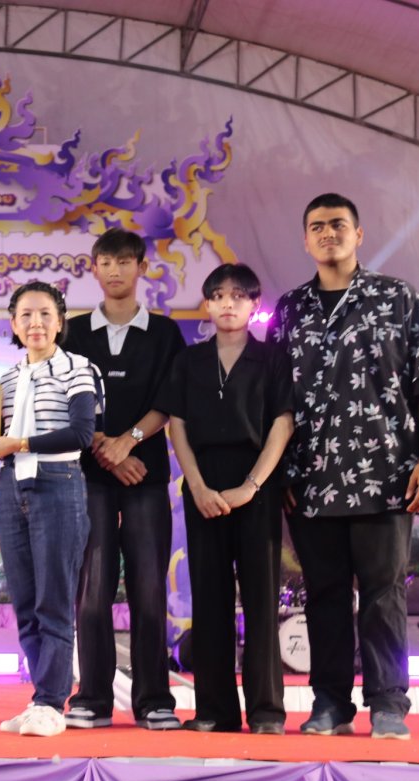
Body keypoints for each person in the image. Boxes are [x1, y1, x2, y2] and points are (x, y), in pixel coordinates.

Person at [269, 193, 419, 741]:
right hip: (309, 480)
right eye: (317, 226)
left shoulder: (399, 298)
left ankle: (388, 704)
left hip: (386, 475)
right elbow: (275, 400)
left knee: (382, 592)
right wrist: (280, 474)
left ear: (358, 234)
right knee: (324, 595)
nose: (327, 233)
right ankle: (330, 703)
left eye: (338, 224)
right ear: (305, 239)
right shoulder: (289, 309)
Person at [155, 263, 292, 735]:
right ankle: (214, 711)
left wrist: (250, 486)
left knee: (260, 602)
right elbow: (177, 425)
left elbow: (283, 424)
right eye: (218, 296)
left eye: (238, 295)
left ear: (255, 304)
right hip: (204, 488)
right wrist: (195, 486)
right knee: (210, 602)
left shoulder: (272, 358)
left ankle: (267, 712)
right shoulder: (189, 361)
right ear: (207, 304)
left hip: (258, 485)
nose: (227, 303)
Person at [62, 229, 184, 731]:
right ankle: (92, 697)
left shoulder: (164, 333)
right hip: (88, 477)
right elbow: (66, 400)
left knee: (149, 588)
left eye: (124, 261)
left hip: (146, 476)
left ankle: (154, 699)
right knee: (92, 589)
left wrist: (129, 441)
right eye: (106, 262)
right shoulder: (72, 332)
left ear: (141, 267)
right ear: (93, 268)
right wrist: (107, 450)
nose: (115, 271)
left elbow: (170, 400)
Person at [0, 281, 103, 737]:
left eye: (45, 314)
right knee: (27, 604)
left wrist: (21, 443)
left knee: (54, 601)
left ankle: (52, 702)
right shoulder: (6, 379)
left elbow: (82, 433)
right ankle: (41, 698)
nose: (36, 323)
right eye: (26, 315)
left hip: (59, 482)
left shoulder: (79, 369)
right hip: (11, 485)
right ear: (14, 325)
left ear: (60, 321)